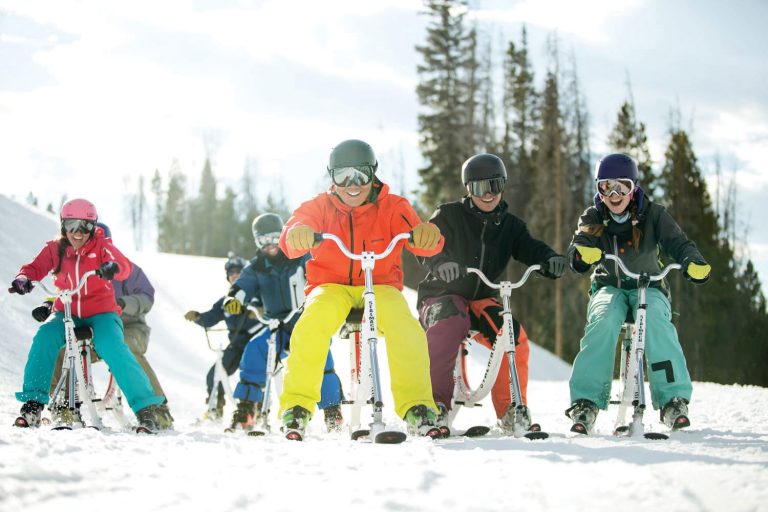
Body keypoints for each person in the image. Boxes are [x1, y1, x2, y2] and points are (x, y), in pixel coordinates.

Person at [277, 138, 445, 439]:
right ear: (331, 178)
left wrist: (425, 235)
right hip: (330, 286)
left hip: (380, 285)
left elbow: (422, 238)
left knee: (405, 327)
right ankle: (297, 406)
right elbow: (293, 231)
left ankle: (417, 405)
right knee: (311, 324)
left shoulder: (393, 207)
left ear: (373, 174)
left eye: (361, 175)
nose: (352, 184)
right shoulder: (320, 207)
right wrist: (298, 234)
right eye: (342, 176)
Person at [417, 153, 566, 435]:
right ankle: (435, 405)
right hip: (442, 293)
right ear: (467, 189)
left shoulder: (510, 226)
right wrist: (440, 262)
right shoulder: (449, 215)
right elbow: (427, 242)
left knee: (512, 334)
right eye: (478, 188)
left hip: (481, 298)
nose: (487, 194)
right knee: (447, 326)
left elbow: (530, 247)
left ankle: (511, 408)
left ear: (503, 186)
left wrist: (549, 260)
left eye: (494, 186)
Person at [565, 153, 711, 434]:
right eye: (606, 187)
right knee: (604, 319)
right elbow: (580, 243)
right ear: (599, 190)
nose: (614, 194)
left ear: (633, 188)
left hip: (649, 285)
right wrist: (584, 254)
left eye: (621, 186)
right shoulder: (594, 216)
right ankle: (586, 401)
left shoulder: (653, 214)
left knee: (656, 318)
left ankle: (673, 400)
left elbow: (678, 243)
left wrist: (692, 262)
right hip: (610, 285)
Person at [10, 198, 169, 431]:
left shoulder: (102, 247)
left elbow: (122, 264)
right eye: (72, 225)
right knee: (44, 337)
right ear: (63, 225)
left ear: (93, 227)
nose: (78, 232)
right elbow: (34, 268)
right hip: (67, 312)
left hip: (102, 313)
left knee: (113, 347)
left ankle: (146, 410)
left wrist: (112, 268)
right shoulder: (55, 249)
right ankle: (33, 405)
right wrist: (24, 279)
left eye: (85, 226)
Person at [40, 222, 174, 426]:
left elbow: (147, 296)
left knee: (125, 347)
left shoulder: (125, 269)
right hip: (94, 330)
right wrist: (49, 306)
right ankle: (62, 404)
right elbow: (66, 295)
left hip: (130, 327)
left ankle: (157, 409)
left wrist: (123, 303)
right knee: (64, 348)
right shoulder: (77, 268)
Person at [221, 213, 344, 433]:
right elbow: (243, 285)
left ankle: (332, 409)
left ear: (283, 236)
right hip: (278, 325)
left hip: (304, 320)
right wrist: (234, 298)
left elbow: (321, 270)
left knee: (320, 354)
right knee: (255, 349)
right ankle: (247, 407)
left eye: (274, 238)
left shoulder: (300, 257)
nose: (269, 245)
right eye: (263, 240)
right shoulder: (257, 266)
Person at [184, 254, 258, 420]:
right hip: (236, 345)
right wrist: (198, 317)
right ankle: (215, 409)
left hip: (256, 343)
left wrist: (256, 313)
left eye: (238, 272)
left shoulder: (256, 296)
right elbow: (211, 318)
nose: (235, 275)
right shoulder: (225, 302)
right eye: (231, 273)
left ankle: (254, 410)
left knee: (252, 375)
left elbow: (269, 312)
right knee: (215, 374)